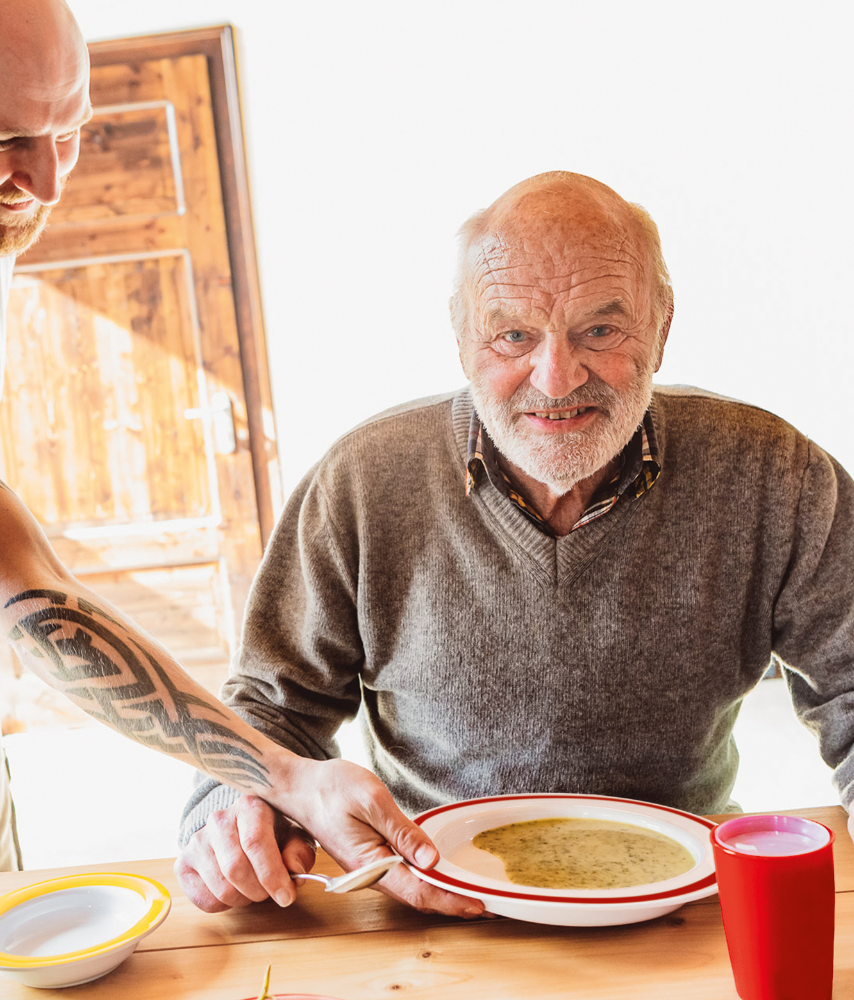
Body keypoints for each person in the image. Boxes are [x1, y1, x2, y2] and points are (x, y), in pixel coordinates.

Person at [0, 0, 442, 898]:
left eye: (69, 132)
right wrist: (287, 777)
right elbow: (28, 592)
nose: (48, 182)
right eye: (2, 139)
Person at [175, 171, 854, 916]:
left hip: (683, 906)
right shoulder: (360, 482)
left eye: (600, 331)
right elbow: (272, 708)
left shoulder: (777, 473)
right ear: (463, 342)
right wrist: (234, 811)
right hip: (427, 902)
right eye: (513, 336)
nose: (556, 379)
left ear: (662, 327)